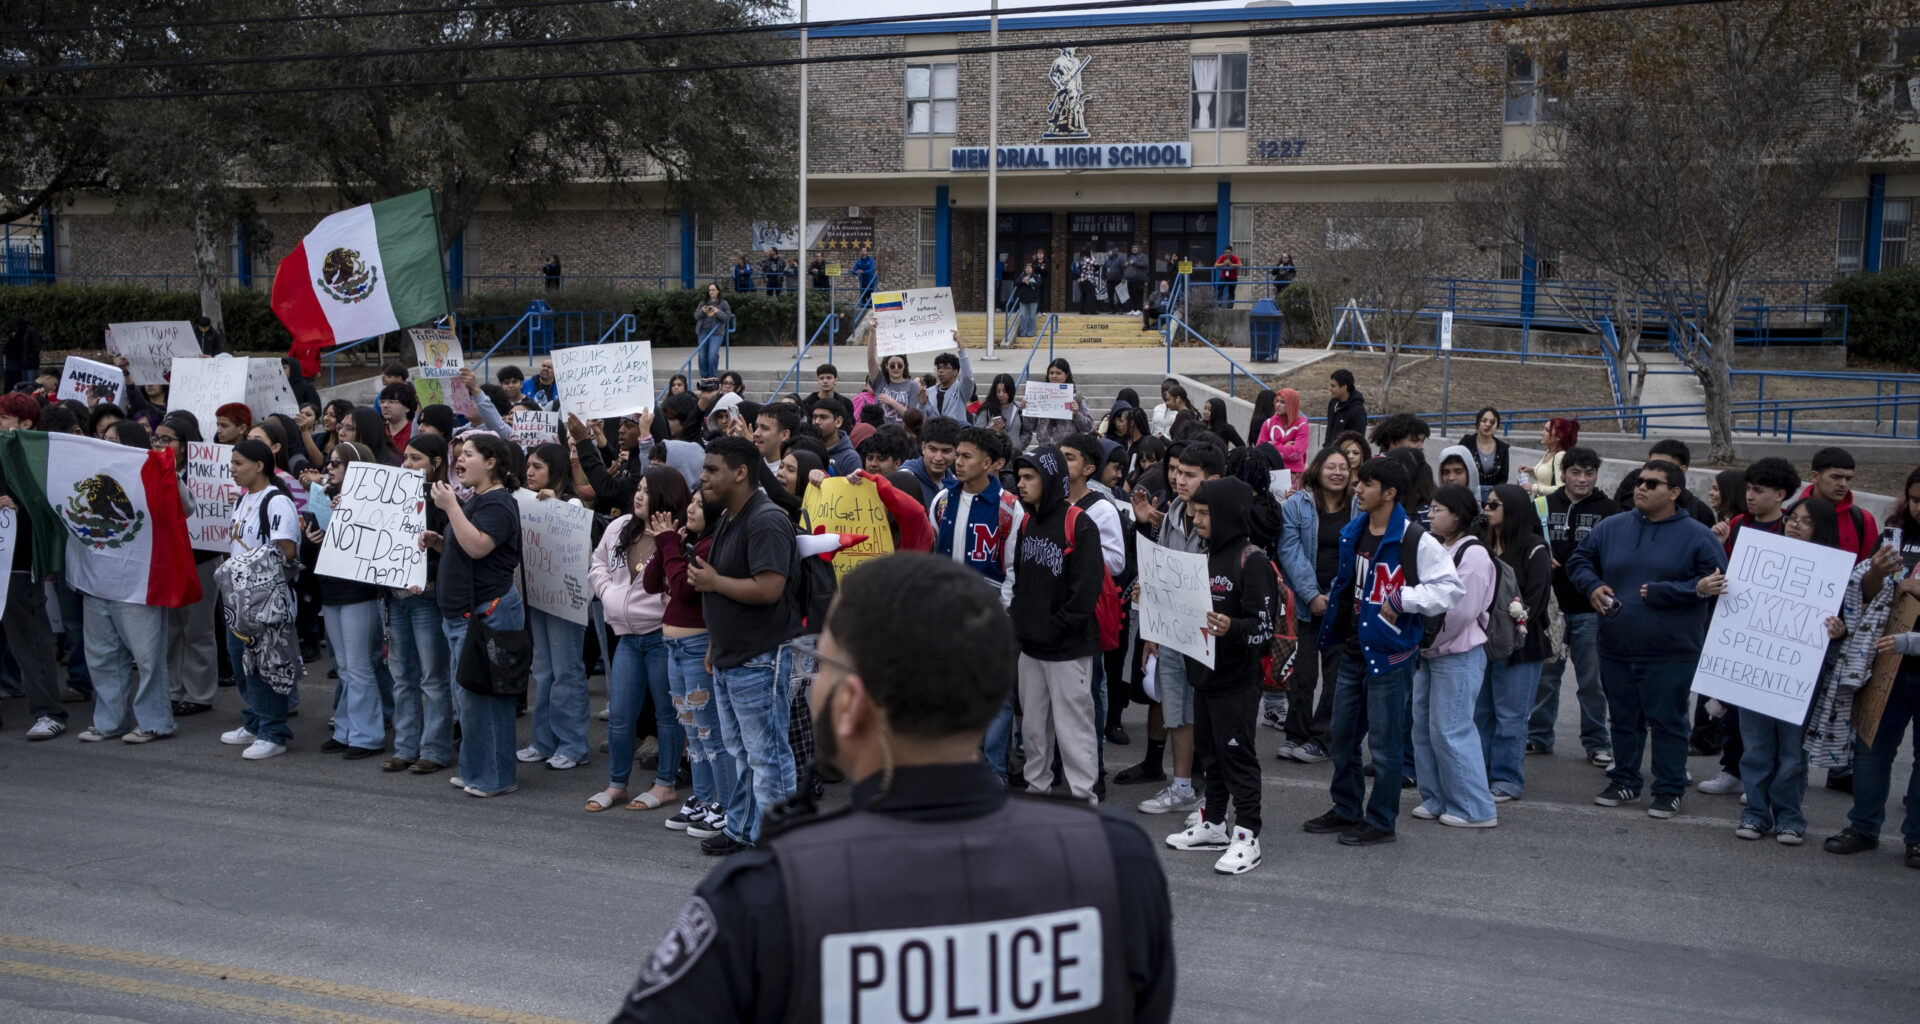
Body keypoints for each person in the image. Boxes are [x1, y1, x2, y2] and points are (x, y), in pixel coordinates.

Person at [610, 552, 1174, 1022]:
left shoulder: (764, 895)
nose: (812, 683)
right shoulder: (1116, 858)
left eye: (819, 664)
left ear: (851, 704)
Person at [1303, 456, 1464, 846]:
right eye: (1359, 482)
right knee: (1342, 736)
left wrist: (1405, 597)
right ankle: (1346, 809)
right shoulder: (1354, 530)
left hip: (1391, 655)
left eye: (1367, 484)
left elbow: (1451, 589)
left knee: (1386, 746)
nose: (1357, 489)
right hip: (1354, 650)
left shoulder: (1415, 539)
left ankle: (1381, 820)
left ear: (1389, 493)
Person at [1566, 459, 1727, 818]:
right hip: (1616, 645)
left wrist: (1665, 592)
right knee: (1623, 719)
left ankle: (1669, 789)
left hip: (1671, 651)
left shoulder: (1698, 535)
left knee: (1668, 722)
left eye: (1652, 483)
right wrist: (1591, 585)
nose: (1641, 487)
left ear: (1674, 492)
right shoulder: (1612, 527)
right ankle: (1624, 780)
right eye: (1640, 481)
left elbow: (1716, 584)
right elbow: (1579, 560)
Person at [689, 436, 803, 854]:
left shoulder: (766, 520)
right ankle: (742, 830)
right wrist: (714, 645)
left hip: (760, 658)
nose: (703, 477)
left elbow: (769, 588)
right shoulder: (731, 517)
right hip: (730, 654)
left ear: (740, 472)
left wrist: (713, 582)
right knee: (740, 752)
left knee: (766, 755)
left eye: (712, 469)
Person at [1162, 477, 1276, 873]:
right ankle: (1213, 823)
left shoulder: (1252, 560)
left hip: (1236, 681)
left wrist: (1232, 627)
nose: (1196, 519)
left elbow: (1264, 630)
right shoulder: (1203, 556)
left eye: (1205, 513)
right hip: (1203, 677)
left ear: (1227, 514)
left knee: (1237, 759)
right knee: (1210, 756)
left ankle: (1247, 836)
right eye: (1195, 512)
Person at [1728, 496, 1850, 846]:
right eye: (1792, 518)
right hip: (1755, 670)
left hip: (1801, 677)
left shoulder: (1836, 572)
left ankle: (1789, 817)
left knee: (1794, 753)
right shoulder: (1760, 560)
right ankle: (1754, 813)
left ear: (1821, 527)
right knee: (1755, 749)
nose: (1795, 524)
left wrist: (1839, 632)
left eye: (1805, 521)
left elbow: (1845, 627)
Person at [1125, 441, 1224, 808]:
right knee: (1178, 711)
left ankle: (1214, 799)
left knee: (1212, 715)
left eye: (1189, 474)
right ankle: (1182, 787)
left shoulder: (1225, 518)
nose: (1178, 480)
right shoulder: (1174, 511)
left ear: (1213, 478)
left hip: (1211, 635)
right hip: (1173, 633)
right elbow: (1162, 571)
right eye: (1177, 471)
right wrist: (1151, 629)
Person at [1006, 446, 1106, 801]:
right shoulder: (1028, 521)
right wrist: (1021, 621)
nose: (1021, 484)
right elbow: (1019, 578)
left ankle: (1083, 800)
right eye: (1019, 477)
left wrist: (1054, 627)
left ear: (1049, 479)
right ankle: (1038, 792)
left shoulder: (1079, 523)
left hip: (1067, 650)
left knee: (1073, 730)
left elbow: (1085, 593)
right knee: (1033, 730)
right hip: (1031, 648)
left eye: (1029, 477)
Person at [432, 433, 526, 799]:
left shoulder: (498, 504)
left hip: (489, 615)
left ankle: (496, 777)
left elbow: (478, 546)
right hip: (467, 615)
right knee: (470, 698)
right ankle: (475, 769)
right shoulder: (480, 500)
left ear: (491, 462)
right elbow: (466, 545)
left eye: (467, 454)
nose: (458, 460)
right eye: (457, 455)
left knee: (487, 699)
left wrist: (452, 507)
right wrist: (439, 541)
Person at [587, 466, 683, 811]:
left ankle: (666, 783)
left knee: (666, 714)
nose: (639, 495)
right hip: (627, 639)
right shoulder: (619, 527)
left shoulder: (675, 535)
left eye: (647, 490)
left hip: (661, 637)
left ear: (666, 497)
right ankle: (617, 785)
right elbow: (597, 562)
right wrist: (607, 592)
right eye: (638, 489)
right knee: (621, 714)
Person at [641, 490, 736, 838]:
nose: (690, 510)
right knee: (692, 733)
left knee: (710, 732)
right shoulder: (687, 545)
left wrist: (670, 547)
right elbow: (653, 583)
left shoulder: (712, 547)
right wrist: (666, 546)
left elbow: (682, 588)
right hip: (675, 649)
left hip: (698, 648)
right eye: (690, 503)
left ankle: (724, 805)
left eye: (697, 505)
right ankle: (703, 797)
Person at [1411, 484, 1499, 827]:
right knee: (1425, 729)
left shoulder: (1473, 554)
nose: (1430, 516)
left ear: (1458, 515)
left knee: (1452, 730)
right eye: (1430, 509)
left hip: (1457, 654)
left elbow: (1461, 611)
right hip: (1432, 652)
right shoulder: (1440, 547)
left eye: (1437, 510)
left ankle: (1476, 808)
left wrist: (1422, 639)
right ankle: (1437, 798)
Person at [1528, 446, 1618, 766]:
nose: (1582, 479)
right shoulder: (1540, 505)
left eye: (1589, 473)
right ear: (1562, 473)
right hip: (1550, 607)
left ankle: (1596, 743)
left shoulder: (1611, 510)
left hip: (1589, 609)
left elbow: (1616, 557)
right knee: (1546, 677)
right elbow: (1523, 541)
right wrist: (1539, 551)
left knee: (1591, 681)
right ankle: (1538, 736)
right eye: (1576, 472)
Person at [303, 440, 387, 759]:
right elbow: (311, 552)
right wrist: (313, 539)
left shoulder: (370, 502)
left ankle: (367, 736)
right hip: (331, 589)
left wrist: (347, 515)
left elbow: (373, 547)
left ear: (353, 467)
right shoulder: (323, 497)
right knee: (344, 666)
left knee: (359, 664)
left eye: (336, 464)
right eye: (329, 462)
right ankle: (346, 729)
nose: (329, 468)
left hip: (358, 593)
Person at [516, 443, 596, 773]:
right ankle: (544, 741)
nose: (529, 472)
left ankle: (574, 744)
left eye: (537, 466)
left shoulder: (571, 504)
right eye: (528, 466)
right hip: (537, 594)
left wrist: (554, 509)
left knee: (567, 671)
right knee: (544, 671)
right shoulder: (527, 500)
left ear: (556, 470)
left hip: (565, 600)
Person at [220, 439, 302, 759]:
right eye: (232, 463)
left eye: (239, 463)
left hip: (264, 598)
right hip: (238, 599)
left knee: (265, 665)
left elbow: (287, 549)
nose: (233, 469)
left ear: (259, 465)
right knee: (243, 661)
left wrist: (252, 571)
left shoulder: (277, 501)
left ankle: (273, 732)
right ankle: (256, 721)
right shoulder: (243, 500)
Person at [1274, 446, 1356, 761]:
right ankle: (1296, 735)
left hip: (1343, 603)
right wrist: (1312, 595)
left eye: (1343, 467)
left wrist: (1335, 597)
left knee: (1336, 675)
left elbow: (1359, 553)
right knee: (1302, 672)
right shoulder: (1296, 505)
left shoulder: (1359, 508)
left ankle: (1322, 739)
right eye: (1331, 467)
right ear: (1317, 470)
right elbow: (1290, 552)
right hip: (1307, 604)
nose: (1337, 472)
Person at [1477, 482, 1554, 803]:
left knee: (1510, 716)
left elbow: (1534, 603)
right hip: (1480, 643)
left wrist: (1509, 622)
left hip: (1521, 646)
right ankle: (1477, 774)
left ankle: (1507, 779)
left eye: (1494, 505)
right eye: (1486, 504)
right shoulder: (1478, 545)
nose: (1486, 510)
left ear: (1513, 510)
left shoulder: (1535, 549)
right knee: (1480, 714)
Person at [1, 396, 70, 741]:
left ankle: (48, 712)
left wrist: (20, 503)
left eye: (4, 417)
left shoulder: (36, 456)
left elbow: (51, 505)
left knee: (29, 637)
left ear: (26, 424)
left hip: (17, 562)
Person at [385, 434, 454, 775]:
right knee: (402, 677)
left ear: (437, 462)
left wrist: (427, 574)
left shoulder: (444, 502)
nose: (408, 465)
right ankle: (405, 747)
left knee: (431, 677)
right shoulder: (389, 495)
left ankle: (434, 749)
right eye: (406, 458)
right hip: (396, 599)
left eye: (417, 459)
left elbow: (451, 552)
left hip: (426, 597)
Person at [1801, 446, 1880, 563]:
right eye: (1836, 477)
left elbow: (1869, 569)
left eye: (1848, 479)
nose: (1843, 484)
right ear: (1815, 476)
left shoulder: (1863, 519)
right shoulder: (1792, 513)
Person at [1024, 358, 1095, 451]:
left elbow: (1088, 427)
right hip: (1044, 449)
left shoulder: (1077, 399)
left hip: (1068, 450)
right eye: (1051, 373)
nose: (1054, 376)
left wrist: (1076, 414)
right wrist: (1027, 410)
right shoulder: (1039, 396)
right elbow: (1029, 426)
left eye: (1058, 373)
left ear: (1066, 375)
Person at [1644, 439, 1717, 527]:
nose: (1654, 471)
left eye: (1663, 466)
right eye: (1651, 465)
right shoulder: (1638, 504)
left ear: (1682, 470)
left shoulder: (1699, 512)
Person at [1458, 407, 1511, 497]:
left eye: (1492, 422)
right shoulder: (1466, 443)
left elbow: (1503, 479)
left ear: (1497, 426)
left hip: (1493, 497)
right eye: (1484, 420)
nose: (1487, 424)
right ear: (1478, 422)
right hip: (1467, 495)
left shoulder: (1503, 449)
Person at [1257, 388, 1310, 476]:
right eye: (1277, 401)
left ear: (1291, 404)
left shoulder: (1302, 424)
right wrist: (1283, 447)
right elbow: (1260, 450)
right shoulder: (1268, 423)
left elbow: (1297, 453)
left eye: (1282, 402)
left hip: (1294, 474)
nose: (1277, 405)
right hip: (1271, 472)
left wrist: (1271, 445)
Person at [926, 331, 974, 424]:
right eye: (939, 368)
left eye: (946, 368)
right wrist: (921, 405)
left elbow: (967, 377)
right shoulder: (929, 392)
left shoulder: (961, 390)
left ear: (955, 371)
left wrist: (961, 347)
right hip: (934, 435)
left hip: (955, 435)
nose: (941, 371)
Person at [972, 372, 1027, 453]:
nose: (1001, 394)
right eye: (998, 391)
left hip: (1015, 455)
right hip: (993, 455)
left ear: (1011, 391)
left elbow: (1027, 431)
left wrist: (1020, 445)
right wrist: (990, 429)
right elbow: (977, 432)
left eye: (1005, 391)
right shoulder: (987, 409)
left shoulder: (1019, 408)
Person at [1523, 417, 1578, 497]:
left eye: (1547, 430)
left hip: (1550, 506)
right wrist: (1531, 471)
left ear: (1559, 436)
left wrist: (1533, 487)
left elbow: (1561, 488)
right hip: (1541, 503)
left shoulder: (1560, 456)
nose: (1542, 433)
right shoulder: (1549, 451)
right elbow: (1547, 480)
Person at [807, 397, 861, 476]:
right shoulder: (806, 449)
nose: (817, 422)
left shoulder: (850, 458)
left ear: (838, 422)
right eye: (815, 417)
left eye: (823, 417)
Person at [694, 283, 733, 381]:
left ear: (718, 291)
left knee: (712, 353)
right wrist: (703, 311)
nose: (711, 292)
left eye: (713, 290)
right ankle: (704, 376)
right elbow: (696, 316)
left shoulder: (723, 303)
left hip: (716, 332)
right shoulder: (703, 303)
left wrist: (717, 311)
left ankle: (712, 375)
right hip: (703, 331)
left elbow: (727, 317)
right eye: (710, 290)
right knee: (702, 353)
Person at [1326, 369, 1367, 438]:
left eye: (1333, 386)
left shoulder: (1358, 412)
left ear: (1344, 387)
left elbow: (1358, 440)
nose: (1330, 389)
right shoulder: (1333, 404)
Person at [1011, 261, 1043, 338]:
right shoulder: (1022, 276)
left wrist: (1029, 283)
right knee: (1023, 317)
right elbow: (1017, 283)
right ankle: (1023, 332)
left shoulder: (1036, 276)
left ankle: (1031, 332)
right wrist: (1023, 281)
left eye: (1029, 268)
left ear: (1032, 269)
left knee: (1032, 317)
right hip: (1023, 300)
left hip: (1033, 300)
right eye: (1026, 268)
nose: (1028, 269)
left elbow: (1039, 284)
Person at [1124, 243, 1150, 314]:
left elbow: (1145, 264)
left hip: (1139, 279)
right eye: (1133, 247)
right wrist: (1126, 264)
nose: (1134, 249)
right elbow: (1129, 266)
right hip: (1130, 279)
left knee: (1138, 295)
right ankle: (1133, 309)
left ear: (1138, 248)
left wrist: (1134, 262)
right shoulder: (1130, 256)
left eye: (1135, 247)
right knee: (1131, 295)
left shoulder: (1142, 256)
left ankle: (1139, 310)